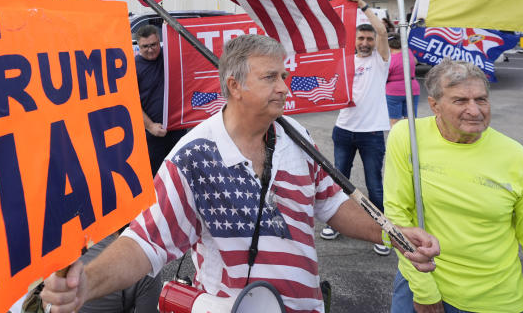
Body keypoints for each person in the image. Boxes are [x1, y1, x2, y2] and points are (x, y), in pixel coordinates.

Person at [40, 34, 440, 313]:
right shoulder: (193, 157)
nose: (285, 87)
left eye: (284, 76)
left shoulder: (296, 136)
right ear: (234, 86)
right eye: (270, 77)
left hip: (306, 305)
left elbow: (332, 204)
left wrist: (395, 235)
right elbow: (147, 242)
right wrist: (86, 285)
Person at [385, 59, 523, 313]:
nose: (475, 110)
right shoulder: (407, 137)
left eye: (481, 99)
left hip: (496, 300)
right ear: (434, 105)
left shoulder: (517, 157)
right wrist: (424, 290)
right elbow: (396, 217)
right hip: (420, 285)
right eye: (460, 101)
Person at [320, 0, 391, 255]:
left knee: (374, 184)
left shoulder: (379, 61)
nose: (365, 42)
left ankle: (381, 230)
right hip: (344, 130)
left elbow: (382, 30)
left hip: (371, 133)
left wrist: (363, 6)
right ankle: (338, 223)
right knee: (340, 180)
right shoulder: (345, 60)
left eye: (369, 39)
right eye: (360, 38)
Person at [134, 24, 185, 176]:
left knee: (180, 173)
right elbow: (131, 103)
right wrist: (150, 126)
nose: (150, 49)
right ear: (138, 46)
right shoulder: (133, 68)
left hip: (177, 129)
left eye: (154, 44)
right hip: (153, 134)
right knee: (157, 177)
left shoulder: (171, 56)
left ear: (159, 41)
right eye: (145, 46)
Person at [385, 33, 420, 127]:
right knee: (411, 119)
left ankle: (398, 140)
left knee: (395, 122)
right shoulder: (408, 52)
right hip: (413, 88)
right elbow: (415, 62)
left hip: (394, 92)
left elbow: (384, 77)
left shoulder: (389, 59)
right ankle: (411, 140)